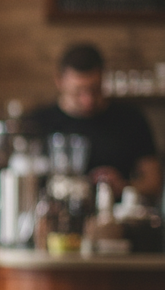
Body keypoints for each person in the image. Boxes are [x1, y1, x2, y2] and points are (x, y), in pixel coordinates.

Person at [25, 43, 162, 201]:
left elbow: (154, 182)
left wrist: (124, 186)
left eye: (95, 90)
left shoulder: (131, 118)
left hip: (117, 219)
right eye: (78, 92)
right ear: (59, 81)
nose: (88, 100)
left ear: (104, 78)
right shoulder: (36, 123)